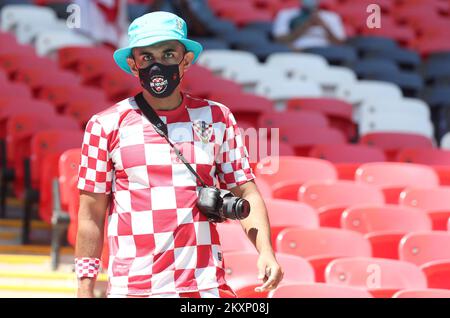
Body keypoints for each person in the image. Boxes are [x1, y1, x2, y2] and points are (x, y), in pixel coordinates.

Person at [75, 11, 283, 298]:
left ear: (185, 61)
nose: (157, 64)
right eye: (146, 57)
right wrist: (85, 287)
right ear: (134, 66)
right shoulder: (105, 124)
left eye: (168, 54)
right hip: (134, 288)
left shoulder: (217, 117)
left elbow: (246, 191)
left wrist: (266, 252)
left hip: (204, 284)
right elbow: (91, 215)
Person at [273, 0, 346, 50]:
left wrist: (324, 26)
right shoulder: (286, 14)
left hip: (326, 54)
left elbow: (340, 43)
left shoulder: (332, 17)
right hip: (297, 52)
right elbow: (280, 40)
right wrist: (307, 25)